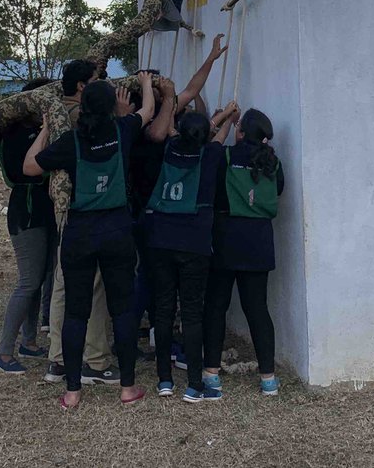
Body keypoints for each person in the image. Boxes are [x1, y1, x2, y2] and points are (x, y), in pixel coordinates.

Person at [24, 76, 156, 410]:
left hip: (80, 233)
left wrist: (44, 129)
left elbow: (29, 167)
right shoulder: (123, 131)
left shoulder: (71, 141)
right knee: (122, 310)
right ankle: (127, 388)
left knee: (76, 312)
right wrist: (145, 84)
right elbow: (149, 109)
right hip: (117, 230)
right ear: (113, 105)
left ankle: (72, 392)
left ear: (82, 107)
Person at [144, 104, 235, 402]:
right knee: (193, 313)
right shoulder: (210, 155)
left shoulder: (169, 148)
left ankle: (165, 381)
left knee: (163, 309)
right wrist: (230, 119)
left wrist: (217, 120)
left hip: (160, 239)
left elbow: (197, 131)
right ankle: (195, 384)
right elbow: (219, 137)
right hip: (194, 243)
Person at [44, 59, 120, 386]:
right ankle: (95, 359)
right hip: (84, 208)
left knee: (64, 286)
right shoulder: (84, 119)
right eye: (97, 79)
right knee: (93, 286)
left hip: (64, 208)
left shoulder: (57, 111)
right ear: (82, 87)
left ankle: (58, 359)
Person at [203, 107, 285, 397]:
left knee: (216, 306)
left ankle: (211, 373)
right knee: (257, 310)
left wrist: (223, 118)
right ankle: (268, 379)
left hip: (226, 238)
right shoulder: (272, 163)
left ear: (239, 132)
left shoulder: (225, 157)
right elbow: (279, 190)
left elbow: (211, 181)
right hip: (259, 241)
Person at [0, 81, 57, 375]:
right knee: (28, 282)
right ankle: (4, 352)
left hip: (43, 211)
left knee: (40, 279)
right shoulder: (16, 136)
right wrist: (45, 131)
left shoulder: (32, 130)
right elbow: (25, 171)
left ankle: (29, 342)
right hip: (27, 213)